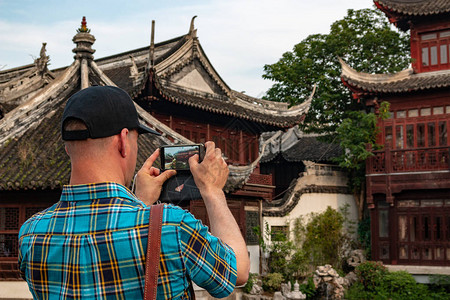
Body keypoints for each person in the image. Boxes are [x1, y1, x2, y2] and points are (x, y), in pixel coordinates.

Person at [18, 86, 249, 299]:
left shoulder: (31, 235)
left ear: (67, 147)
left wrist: (140, 203)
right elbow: (237, 271)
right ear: (123, 141)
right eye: (136, 140)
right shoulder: (172, 226)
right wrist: (212, 189)